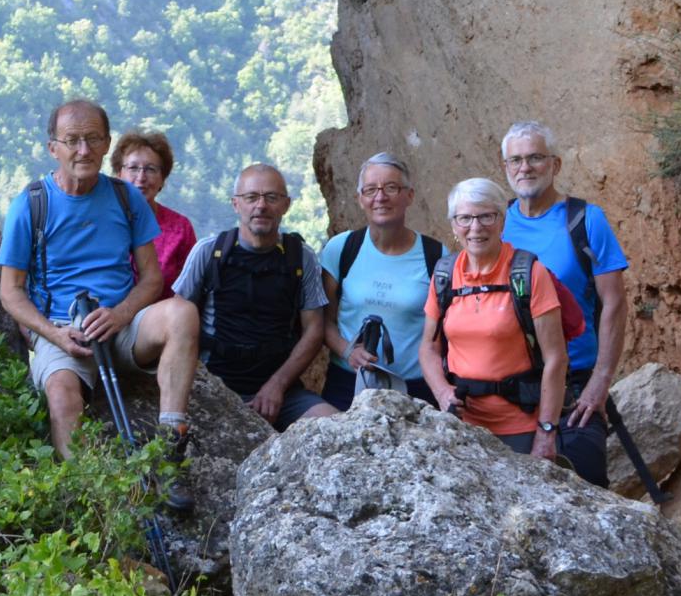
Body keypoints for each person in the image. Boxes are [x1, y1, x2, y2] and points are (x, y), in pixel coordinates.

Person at [0, 98, 203, 509]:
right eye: (72, 140)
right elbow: (10, 292)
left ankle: (170, 447)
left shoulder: (127, 199)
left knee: (182, 313)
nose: (84, 150)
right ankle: (100, 497)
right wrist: (53, 333)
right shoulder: (32, 204)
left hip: (120, 324)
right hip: (62, 328)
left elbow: (151, 278)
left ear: (107, 143)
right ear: (53, 147)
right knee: (61, 393)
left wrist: (122, 313)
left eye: (93, 139)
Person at [499, 121, 632, 487]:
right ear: (505, 168)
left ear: (555, 165)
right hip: (511, 384)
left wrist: (601, 382)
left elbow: (614, 304)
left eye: (535, 158)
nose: (525, 168)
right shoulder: (494, 226)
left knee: (585, 477)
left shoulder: (585, 220)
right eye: (516, 160)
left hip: (576, 383)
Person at [420, 177, 570, 463]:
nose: (475, 228)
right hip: (462, 427)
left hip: (521, 428)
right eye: (465, 218)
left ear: (502, 221)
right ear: (453, 226)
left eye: (486, 216)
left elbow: (556, 358)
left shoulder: (528, 274)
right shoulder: (444, 275)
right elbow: (428, 346)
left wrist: (547, 431)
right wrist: (441, 393)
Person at [171, 164, 331, 429]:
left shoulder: (301, 257)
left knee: (334, 426)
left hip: (282, 389)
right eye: (251, 197)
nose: (261, 205)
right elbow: (176, 319)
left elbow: (314, 330)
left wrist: (277, 385)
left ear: (286, 205)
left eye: (271, 197)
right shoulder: (210, 252)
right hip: (213, 385)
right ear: (236, 204)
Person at [316, 152, 441, 410]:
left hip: (414, 387)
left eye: (391, 188)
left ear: (410, 195)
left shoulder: (435, 256)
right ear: (359, 199)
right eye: (371, 190)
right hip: (348, 382)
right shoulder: (341, 249)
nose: (380, 197)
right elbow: (323, 320)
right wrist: (348, 351)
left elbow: (444, 330)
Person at [110, 129, 197, 286]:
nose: (141, 177)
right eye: (133, 168)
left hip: (164, 309)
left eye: (150, 169)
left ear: (162, 179)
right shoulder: (101, 221)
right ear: (118, 174)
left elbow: (191, 288)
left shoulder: (180, 228)